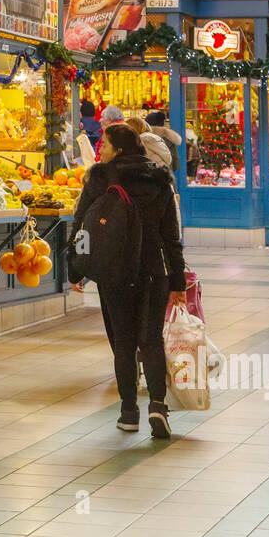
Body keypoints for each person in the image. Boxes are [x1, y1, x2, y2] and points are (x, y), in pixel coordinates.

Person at [72, 123, 186, 436]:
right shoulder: (159, 177)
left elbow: (81, 223)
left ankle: (128, 412)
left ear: (119, 149)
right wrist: (178, 280)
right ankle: (158, 405)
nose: (101, 150)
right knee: (150, 341)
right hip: (153, 271)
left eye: (105, 144)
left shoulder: (99, 176)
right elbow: (170, 235)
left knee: (123, 343)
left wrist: (75, 268)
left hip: (114, 271)